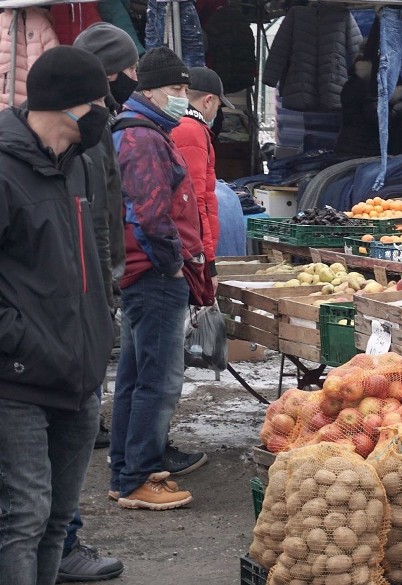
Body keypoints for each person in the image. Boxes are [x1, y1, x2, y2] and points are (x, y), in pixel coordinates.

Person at [0, 46, 114, 585]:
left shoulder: (80, 167)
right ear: (68, 106)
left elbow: (94, 253)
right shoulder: (3, 169)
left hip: (79, 376)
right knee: (21, 519)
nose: (104, 115)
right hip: (16, 381)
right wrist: (20, 339)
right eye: (97, 103)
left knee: (54, 521)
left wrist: (101, 324)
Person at [52, 22, 141, 583]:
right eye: (129, 70)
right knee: (61, 429)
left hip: (90, 285)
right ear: (109, 73)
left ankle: (61, 539)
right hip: (69, 297)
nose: (134, 79)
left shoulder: (97, 125)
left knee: (75, 422)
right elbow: (89, 209)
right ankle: (62, 543)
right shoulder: (84, 130)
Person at [109, 46, 202, 510]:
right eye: (176, 89)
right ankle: (137, 478)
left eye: (186, 90)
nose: (182, 98)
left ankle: (124, 471)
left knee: (134, 375)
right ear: (148, 90)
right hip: (152, 275)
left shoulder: (144, 130)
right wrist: (171, 263)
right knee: (158, 380)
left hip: (140, 273)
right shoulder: (142, 137)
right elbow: (148, 215)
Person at [166, 66, 234, 476]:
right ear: (208, 101)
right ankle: (152, 449)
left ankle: (149, 446)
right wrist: (203, 256)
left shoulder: (178, 128)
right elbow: (196, 199)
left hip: (181, 253)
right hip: (183, 255)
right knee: (164, 362)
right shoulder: (192, 131)